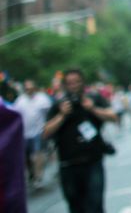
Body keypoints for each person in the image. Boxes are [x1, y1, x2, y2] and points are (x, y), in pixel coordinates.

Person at [43, 68, 117, 213]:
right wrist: (62, 115)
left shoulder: (93, 99)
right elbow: (45, 132)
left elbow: (113, 117)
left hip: (93, 161)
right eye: (70, 83)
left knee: (95, 205)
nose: (74, 86)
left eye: (77, 82)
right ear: (65, 85)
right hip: (68, 165)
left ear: (83, 83)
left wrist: (93, 109)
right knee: (76, 207)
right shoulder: (59, 105)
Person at [13, 79, 52, 188]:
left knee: (36, 154)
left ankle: (38, 177)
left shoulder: (42, 98)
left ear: (34, 88)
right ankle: (32, 174)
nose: (29, 90)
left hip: (39, 131)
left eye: (30, 88)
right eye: (27, 88)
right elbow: (14, 115)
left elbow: (50, 112)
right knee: (27, 157)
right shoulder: (20, 101)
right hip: (25, 134)